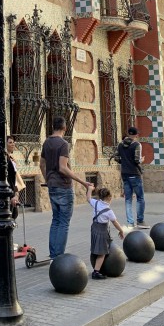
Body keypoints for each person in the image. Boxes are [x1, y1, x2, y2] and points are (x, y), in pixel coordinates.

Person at [40, 116, 91, 259]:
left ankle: (53, 255)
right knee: (63, 222)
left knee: (56, 220)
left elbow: (42, 164)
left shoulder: (46, 142)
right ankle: (58, 257)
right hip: (63, 186)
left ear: (53, 127)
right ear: (65, 128)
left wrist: (48, 179)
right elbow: (63, 168)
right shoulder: (63, 144)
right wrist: (83, 182)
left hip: (52, 186)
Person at [86, 185, 124, 280]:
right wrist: (121, 230)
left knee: (96, 248)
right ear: (109, 198)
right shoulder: (109, 211)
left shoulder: (95, 203)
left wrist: (90, 189)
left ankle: (97, 267)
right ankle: (96, 272)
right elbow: (115, 223)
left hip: (94, 228)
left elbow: (88, 198)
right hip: (102, 231)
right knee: (102, 253)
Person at [116, 126, 148, 228]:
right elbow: (137, 160)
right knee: (140, 198)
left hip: (124, 173)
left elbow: (116, 157)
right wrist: (142, 160)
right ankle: (140, 221)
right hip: (134, 173)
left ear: (128, 133)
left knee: (128, 199)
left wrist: (124, 161)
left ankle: (130, 222)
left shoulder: (120, 145)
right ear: (136, 135)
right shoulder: (137, 145)